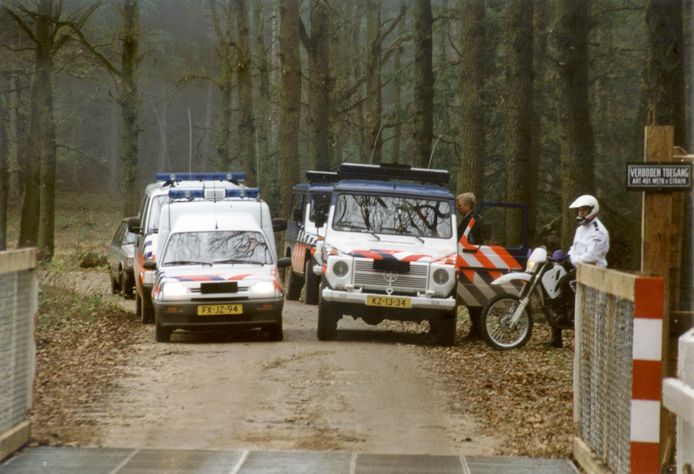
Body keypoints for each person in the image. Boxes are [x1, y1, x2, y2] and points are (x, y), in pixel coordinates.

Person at [551, 194, 610, 347]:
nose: (581, 213)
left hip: (592, 271)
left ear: (592, 210)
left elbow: (592, 256)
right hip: (578, 266)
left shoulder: (598, 231)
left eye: (584, 210)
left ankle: (572, 318)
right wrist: (567, 257)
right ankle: (556, 335)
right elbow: (574, 248)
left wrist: (572, 260)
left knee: (564, 283)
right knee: (552, 286)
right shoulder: (581, 229)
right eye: (579, 210)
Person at [456, 192, 482, 338]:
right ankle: (476, 327)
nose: (458, 208)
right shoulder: (469, 219)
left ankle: (477, 328)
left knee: (473, 296)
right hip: (468, 260)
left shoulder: (474, 221)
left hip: (471, 261)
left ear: (467, 206)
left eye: (460, 205)